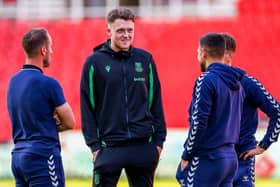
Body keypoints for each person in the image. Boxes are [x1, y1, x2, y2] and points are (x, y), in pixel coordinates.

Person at [80, 8, 167, 187]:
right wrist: (95, 146)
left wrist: (158, 142)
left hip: (143, 146)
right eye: (120, 30)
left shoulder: (145, 60)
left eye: (130, 30)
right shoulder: (94, 63)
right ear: (109, 31)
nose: (126, 35)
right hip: (108, 146)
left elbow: (155, 102)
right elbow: (87, 106)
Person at [7, 28, 75, 187]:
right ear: (43, 50)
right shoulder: (49, 84)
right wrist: (51, 124)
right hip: (42, 156)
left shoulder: (13, 82)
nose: (52, 51)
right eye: (50, 47)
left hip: (18, 157)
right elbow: (70, 122)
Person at [176, 33, 245, 187]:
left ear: (203, 52)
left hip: (208, 158)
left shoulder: (205, 79)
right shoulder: (238, 84)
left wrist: (187, 154)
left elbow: (199, 122)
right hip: (229, 159)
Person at [221, 33, 280, 187]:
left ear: (229, 55)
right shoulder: (207, 83)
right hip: (215, 158)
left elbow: (276, 111)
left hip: (242, 158)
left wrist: (264, 144)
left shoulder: (247, 83)